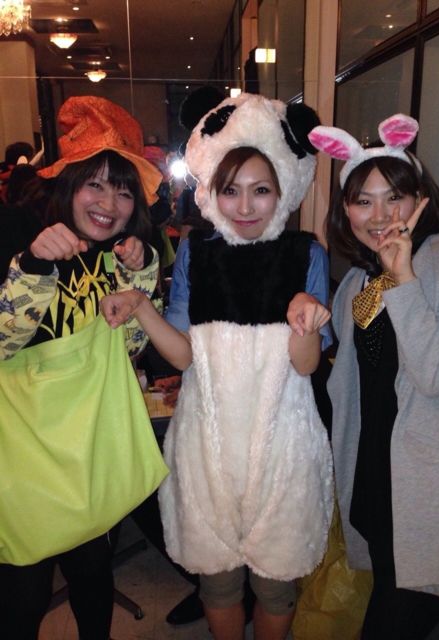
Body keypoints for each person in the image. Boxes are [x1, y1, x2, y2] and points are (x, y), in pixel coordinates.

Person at [101, 93, 334, 640]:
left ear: (283, 189)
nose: (245, 205)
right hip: (206, 442)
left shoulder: (306, 254)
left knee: (276, 585)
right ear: (212, 191)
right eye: (231, 190)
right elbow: (184, 354)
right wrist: (141, 306)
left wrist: (305, 320)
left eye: (261, 190)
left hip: (283, 445)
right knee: (218, 582)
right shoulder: (196, 252)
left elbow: (306, 365)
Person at [0, 95, 168, 640]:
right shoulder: (17, 236)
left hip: (89, 448)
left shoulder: (120, 257)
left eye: (124, 191)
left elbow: (128, 350)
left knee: (93, 573)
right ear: (68, 183)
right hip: (24, 454)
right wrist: (33, 265)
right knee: (23, 592)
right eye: (95, 184)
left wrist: (141, 278)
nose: (109, 203)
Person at [308, 114, 439, 640]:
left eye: (395, 197)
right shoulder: (358, 281)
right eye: (363, 201)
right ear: (346, 211)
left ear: (420, 200)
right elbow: (350, 384)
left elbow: (436, 374)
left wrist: (404, 278)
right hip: (376, 483)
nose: (380, 215)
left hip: (431, 492)